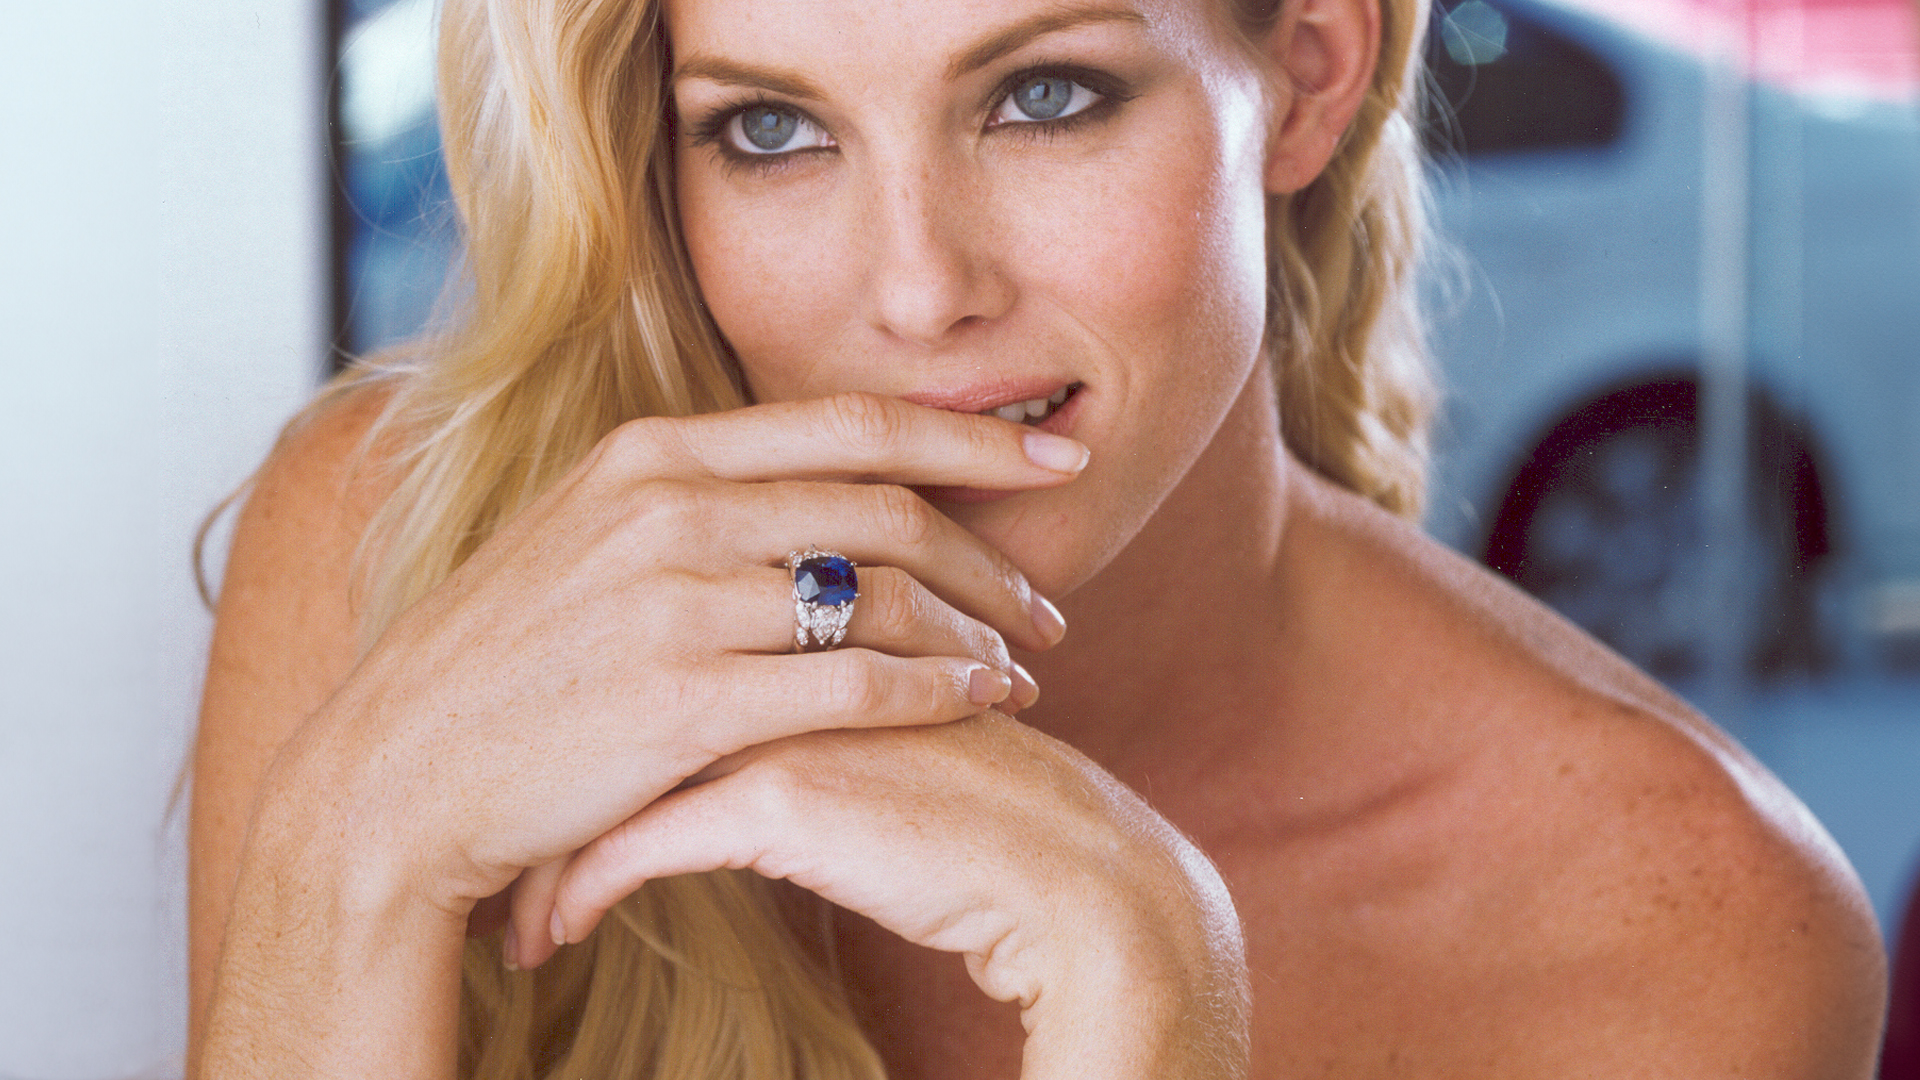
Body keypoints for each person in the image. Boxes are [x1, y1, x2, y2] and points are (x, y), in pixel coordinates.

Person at [188, 0, 1889, 1074]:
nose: (917, 290)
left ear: (1311, 70)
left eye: (1046, 94)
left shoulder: (1680, 920)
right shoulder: (398, 548)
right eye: (770, 128)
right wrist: (352, 848)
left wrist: (1150, 998)